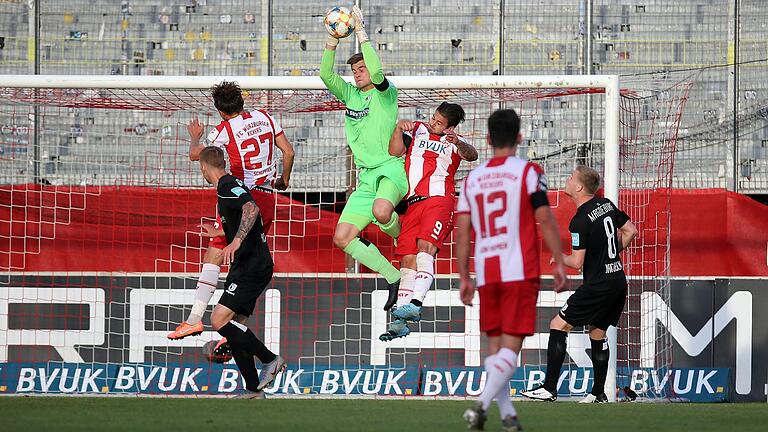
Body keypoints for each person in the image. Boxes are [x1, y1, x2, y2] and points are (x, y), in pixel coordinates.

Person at [457, 109, 568, 431]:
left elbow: (463, 230)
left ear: (488, 140)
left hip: (487, 272)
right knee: (510, 350)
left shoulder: (473, 179)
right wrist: (560, 261)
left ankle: (508, 418)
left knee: (495, 352)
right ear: (520, 137)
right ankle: (479, 406)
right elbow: (545, 217)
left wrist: (464, 276)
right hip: (519, 271)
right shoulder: (529, 171)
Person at [167, 81, 295, 342]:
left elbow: (197, 156)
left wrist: (195, 137)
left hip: (241, 199)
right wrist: (284, 179)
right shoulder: (265, 117)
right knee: (248, 261)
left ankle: (194, 321)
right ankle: (232, 332)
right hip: (269, 199)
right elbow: (289, 152)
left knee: (214, 253)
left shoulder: (222, 131)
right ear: (241, 102)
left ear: (220, 110)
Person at [521, 165, 638, 403]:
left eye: (571, 177)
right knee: (598, 332)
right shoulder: (606, 205)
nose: (567, 179)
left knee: (558, 324)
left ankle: (549, 388)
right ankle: (598, 393)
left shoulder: (579, 220)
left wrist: (558, 256)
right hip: (617, 280)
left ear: (579, 187)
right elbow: (630, 230)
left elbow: (576, 262)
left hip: (599, 284)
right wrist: (611, 254)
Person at [321, 5, 408, 306]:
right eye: (354, 71)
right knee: (342, 237)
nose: (358, 74)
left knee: (383, 212)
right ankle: (392, 276)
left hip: (390, 170)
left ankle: (402, 235)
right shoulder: (351, 96)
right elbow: (325, 74)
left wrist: (360, 32)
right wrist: (333, 39)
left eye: (362, 69)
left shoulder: (387, 94)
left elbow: (379, 72)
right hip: (365, 179)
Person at [379, 102, 478, 341]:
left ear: (450, 127)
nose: (434, 123)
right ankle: (400, 321)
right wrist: (397, 128)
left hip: (439, 200)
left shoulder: (454, 142)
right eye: (434, 118)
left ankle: (416, 302)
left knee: (426, 248)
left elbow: (472, 155)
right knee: (407, 258)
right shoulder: (416, 130)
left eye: (440, 122)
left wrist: (457, 142)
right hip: (413, 203)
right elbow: (394, 151)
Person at [197, 146, 285, 399]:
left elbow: (251, 209)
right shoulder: (229, 183)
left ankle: (271, 359)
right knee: (234, 329)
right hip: (247, 264)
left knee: (218, 320)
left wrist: (235, 242)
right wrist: (221, 234)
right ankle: (253, 389)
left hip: (251, 264)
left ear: (204, 168)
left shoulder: (226, 186)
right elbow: (243, 216)